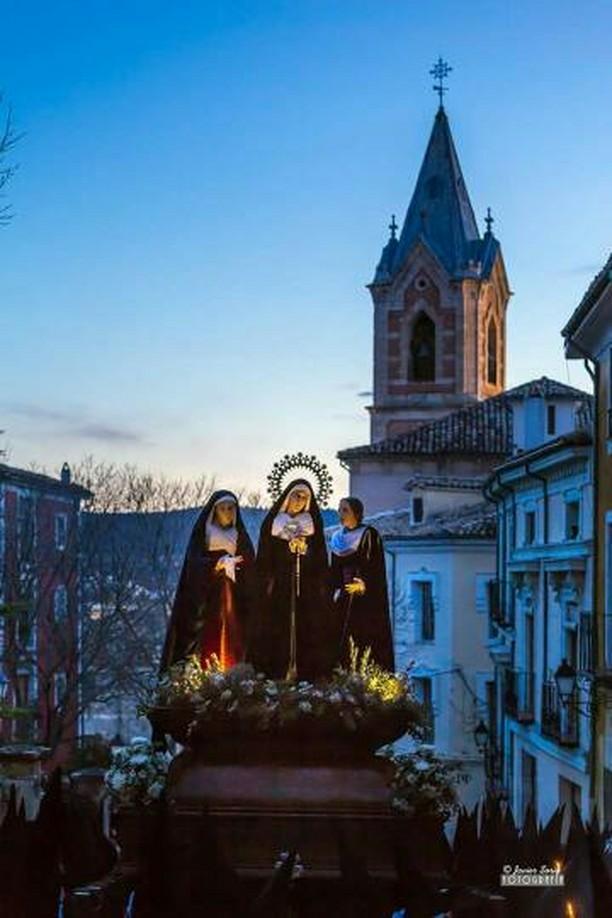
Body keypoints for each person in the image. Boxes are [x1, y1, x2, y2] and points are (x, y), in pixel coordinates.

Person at [248, 479, 335, 681]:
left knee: (306, 631)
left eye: (304, 497)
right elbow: (265, 558)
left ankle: (307, 676)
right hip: (279, 588)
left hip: (307, 590)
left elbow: (321, 559)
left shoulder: (311, 524)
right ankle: (275, 676)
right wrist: (286, 552)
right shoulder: (273, 523)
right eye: (296, 495)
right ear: (288, 497)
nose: (299, 500)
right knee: (278, 632)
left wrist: (306, 551)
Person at [159, 490, 255, 674]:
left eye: (231, 508)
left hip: (234, 599)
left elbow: (249, 564)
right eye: (222, 508)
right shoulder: (204, 535)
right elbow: (194, 565)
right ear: (214, 511)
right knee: (207, 639)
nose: (227, 512)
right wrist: (216, 564)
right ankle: (204, 674)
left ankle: (233, 673)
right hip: (208, 598)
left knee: (234, 638)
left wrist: (239, 568)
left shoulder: (239, 536)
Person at [330, 497, 395, 671]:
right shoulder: (337, 537)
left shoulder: (368, 535)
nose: (340, 514)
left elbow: (375, 567)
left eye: (345, 510)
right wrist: (334, 589)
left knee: (361, 639)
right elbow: (334, 568)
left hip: (363, 601)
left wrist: (364, 584)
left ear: (356, 513)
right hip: (342, 597)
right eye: (339, 509)